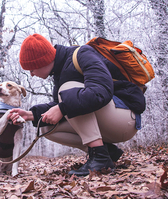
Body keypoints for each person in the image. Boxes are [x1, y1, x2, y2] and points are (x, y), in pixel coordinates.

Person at [8, 34, 146, 176]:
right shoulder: (60, 71)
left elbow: (101, 92)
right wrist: (31, 114)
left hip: (125, 118)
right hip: (109, 120)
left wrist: (63, 108)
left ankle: (100, 158)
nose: (31, 74)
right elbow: (60, 105)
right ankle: (105, 152)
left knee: (67, 91)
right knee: (46, 127)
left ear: (42, 61)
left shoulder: (82, 54)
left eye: (32, 69)